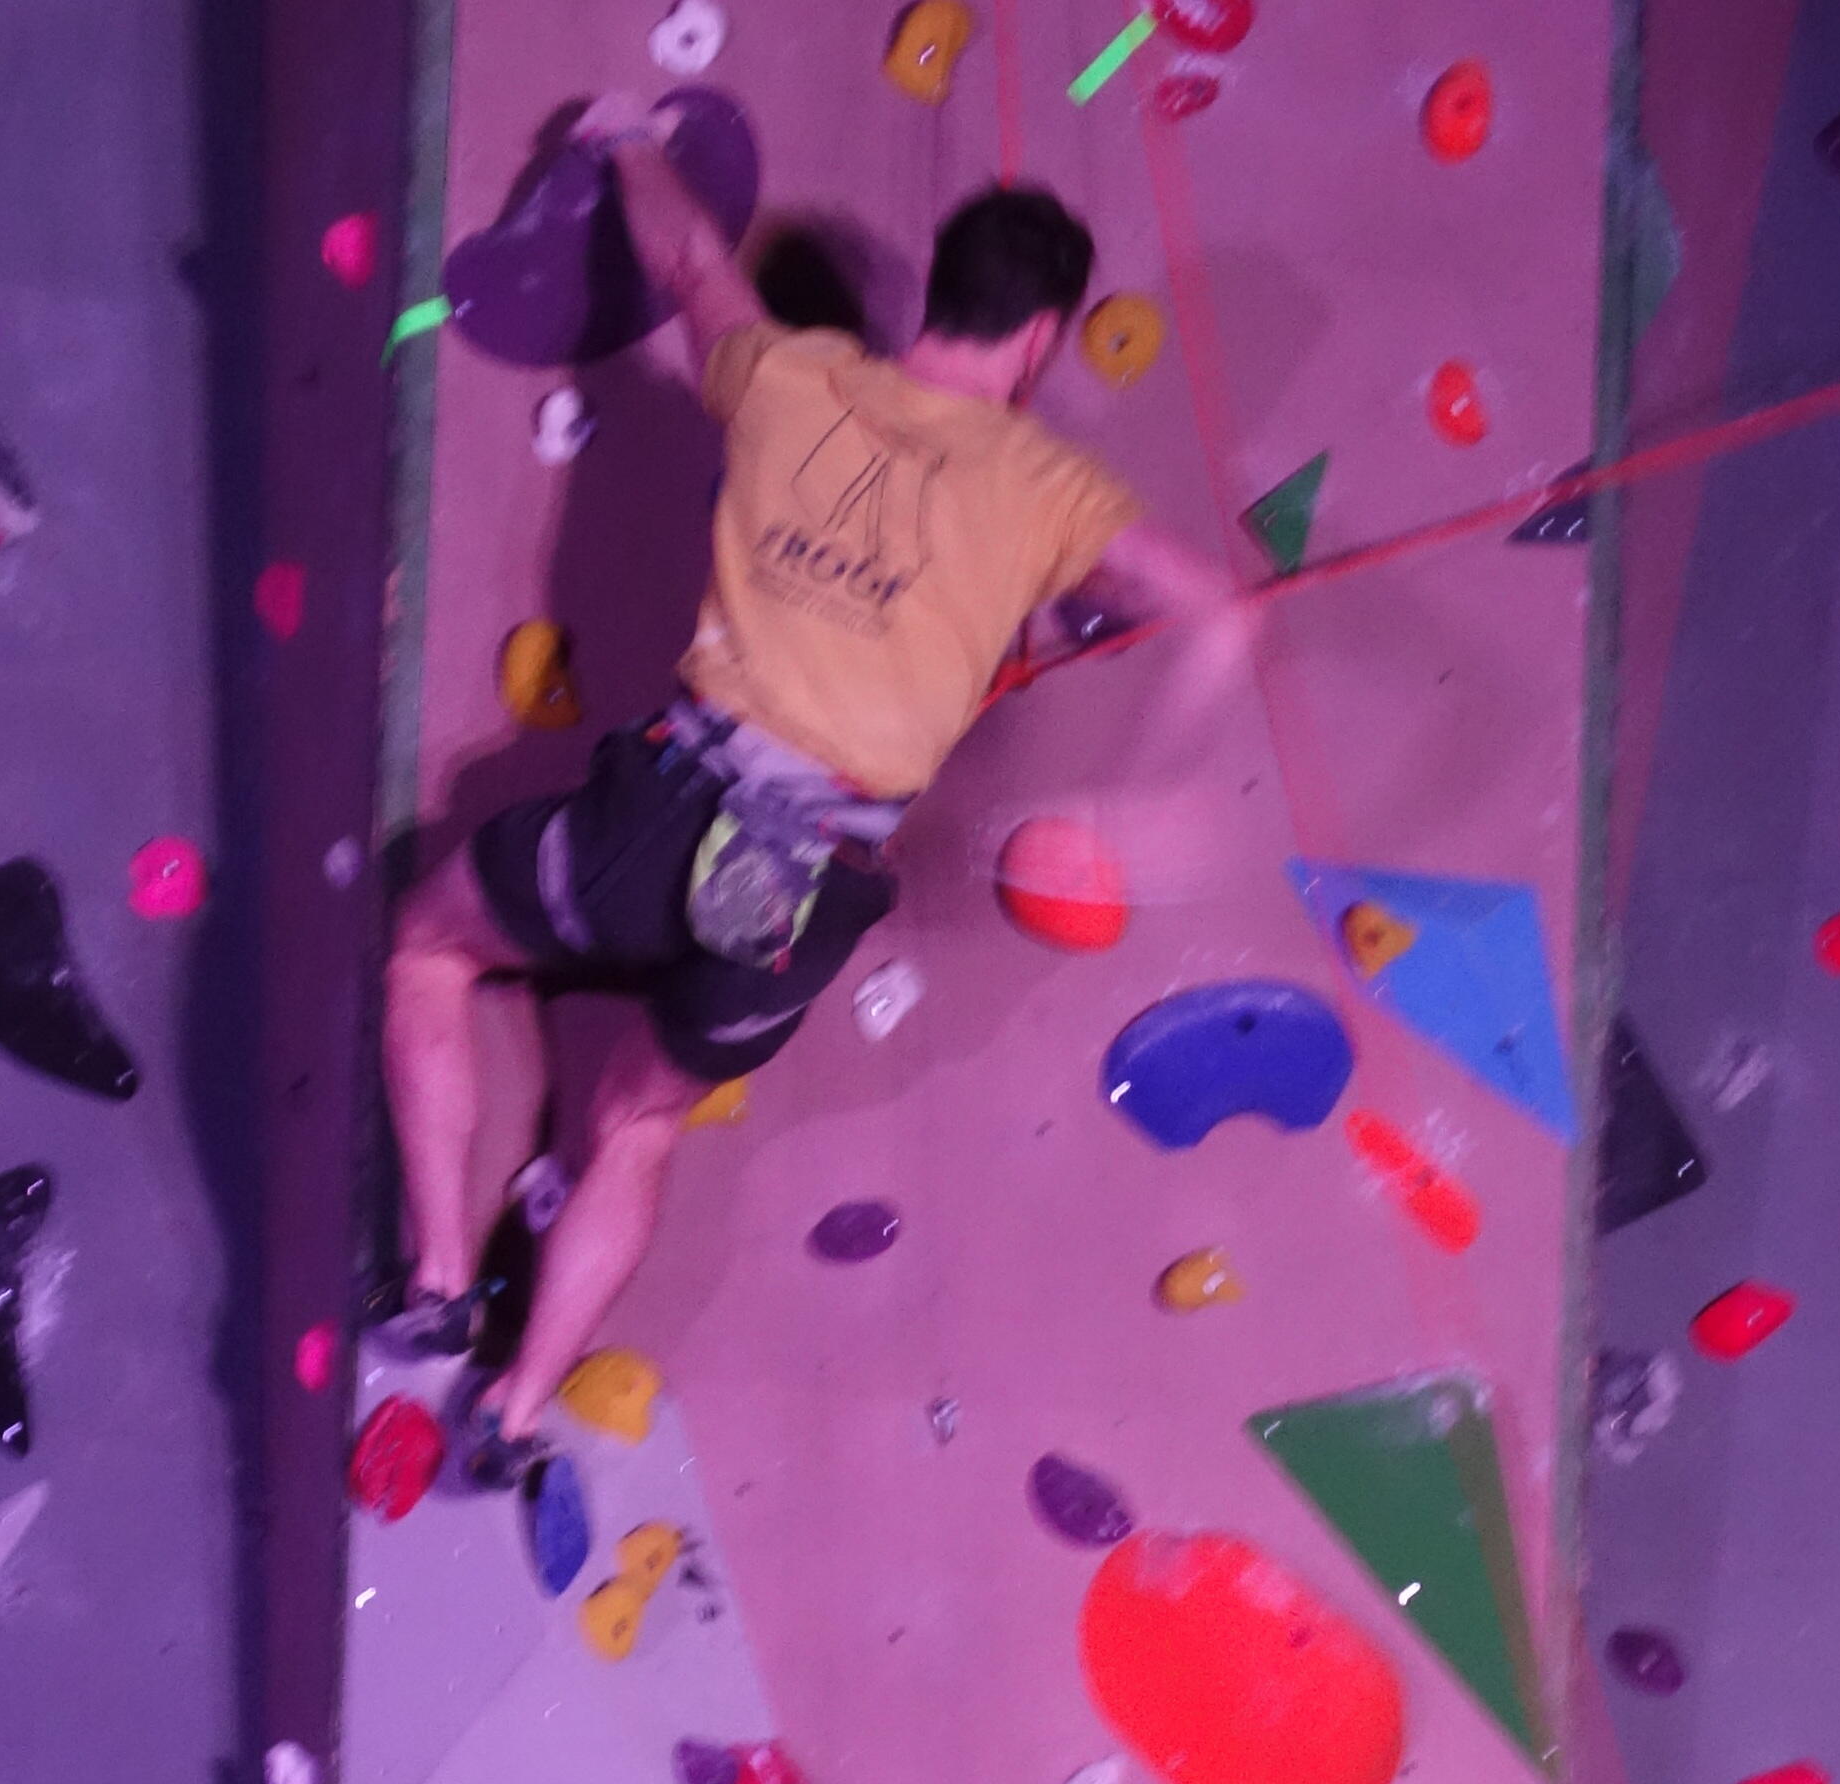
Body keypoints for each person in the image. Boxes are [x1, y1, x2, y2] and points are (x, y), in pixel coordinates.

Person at [378, 135, 1251, 1456]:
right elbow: (1218, 613)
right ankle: (517, 1403)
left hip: (673, 803)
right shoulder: (1050, 493)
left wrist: (628, 141)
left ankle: (442, 1278)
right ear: (1042, 337)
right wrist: (1141, 798)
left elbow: (687, 257)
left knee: (430, 948)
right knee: (639, 1122)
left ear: (941, 296)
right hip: (807, 884)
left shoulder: (792, 374)